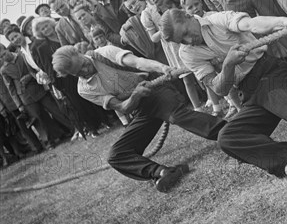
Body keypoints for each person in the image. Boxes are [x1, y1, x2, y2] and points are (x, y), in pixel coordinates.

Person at [159, 9, 287, 179]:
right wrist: (229, 64)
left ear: (189, 16)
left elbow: (252, 24)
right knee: (228, 137)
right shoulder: (186, 53)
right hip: (248, 94)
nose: (189, 40)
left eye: (186, 33)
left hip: (269, 73)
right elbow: (218, 89)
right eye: (182, 40)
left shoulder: (218, 20)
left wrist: (283, 21)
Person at [52, 44, 227, 192]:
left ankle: (228, 131)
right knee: (116, 155)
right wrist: (135, 96)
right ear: (71, 75)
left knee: (176, 116)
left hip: (157, 91)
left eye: (83, 64)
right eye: (78, 73)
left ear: (80, 53)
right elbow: (122, 107)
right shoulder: (84, 90)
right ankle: (163, 172)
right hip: (139, 108)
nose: (85, 70)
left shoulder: (104, 53)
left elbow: (138, 62)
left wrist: (162, 68)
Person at [31, 17, 107, 137]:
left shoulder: (62, 34)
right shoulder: (42, 47)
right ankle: (92, 128)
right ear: (39, 33)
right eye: (42, 29)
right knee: (78, 102)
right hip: (64, 77)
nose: (45, 29)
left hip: (78, 68)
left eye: (46, 26)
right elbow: (47, 66)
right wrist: (56, 82)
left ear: (51, 24)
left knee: (92, 92)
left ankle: (105, 120)